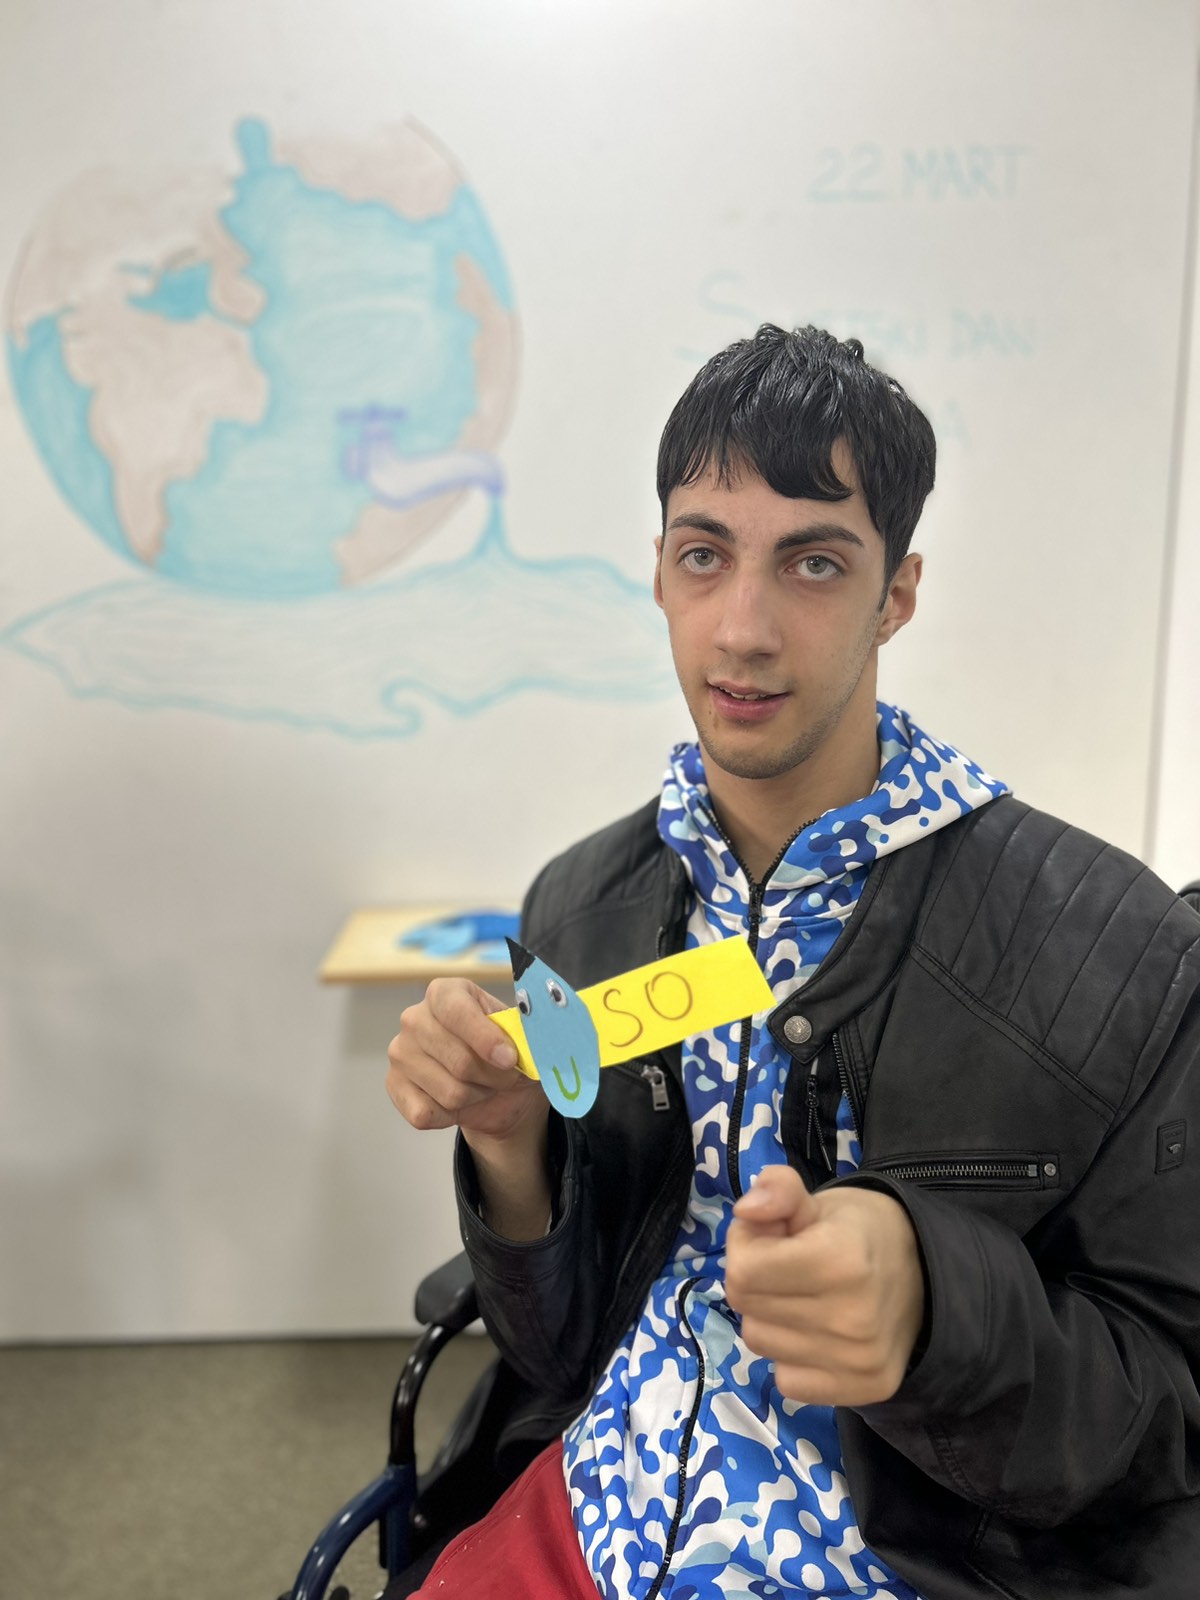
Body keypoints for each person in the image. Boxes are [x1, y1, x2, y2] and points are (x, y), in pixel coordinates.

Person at [386, 325, 1200, 1599]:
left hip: (918, 1555)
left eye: (814, 563)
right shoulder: (584, 906)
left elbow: (1169, 1414)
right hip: (596, 1507)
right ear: (659, 570)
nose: (744, 628)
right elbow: (555, 1349)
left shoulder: (1120, 950)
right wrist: (509, 1143)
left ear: (897, 595)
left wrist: (935, 1310)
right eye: (704, 555)